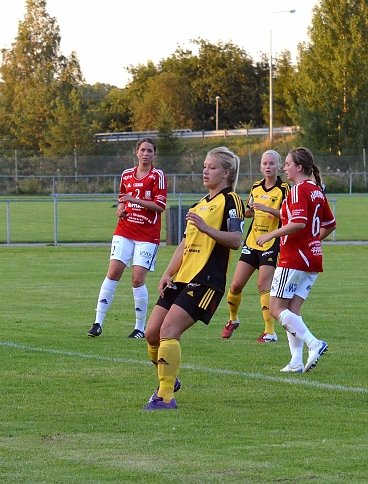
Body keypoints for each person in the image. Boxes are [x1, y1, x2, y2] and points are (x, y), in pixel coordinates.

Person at [143, 147, 245, 410]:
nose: (205, 170)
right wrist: (168, 273)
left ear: (226, 173)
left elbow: (236, 240)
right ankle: (169, 377)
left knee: (169, 331)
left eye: (211, 167)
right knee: (151, 333)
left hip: (207, 280)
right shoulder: (199, 204)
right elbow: (184, 245)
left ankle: (165, 396)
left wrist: (207, 228)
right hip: (183, 278)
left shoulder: (231, 200)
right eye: (204, 166)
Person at [255, 147, 336, 374]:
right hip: (312, 258)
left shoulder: (299, 190)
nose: (284, 168)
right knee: (292, 311)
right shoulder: (316, 190)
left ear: (299, 167)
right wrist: (312, 241)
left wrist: (271, 234)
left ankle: (314, 343)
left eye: (288, 164)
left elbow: (299, 223)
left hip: (294, 258)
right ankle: (296, 362)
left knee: (275, 308)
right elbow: (330, 224)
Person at [88, 138, 166, 339]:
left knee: (137, 279)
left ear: (154, 154)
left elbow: (160, 206)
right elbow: (122, 200)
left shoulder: (158, 176)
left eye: (150, 150)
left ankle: (140, 328)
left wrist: (134, 200)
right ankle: (97, 323)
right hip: (125, 230)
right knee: (113, 272)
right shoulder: (126, 175)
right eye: (142, 150)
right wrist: (121, 210)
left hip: (147, 235)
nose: (146, 154)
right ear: (137, 152)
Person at [222, 150, 288, 342]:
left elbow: (290, 216)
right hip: (252, 242)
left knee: (263, 285)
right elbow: (250, 212)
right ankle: (233, 319)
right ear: (260, 166)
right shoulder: (256, 187)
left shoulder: (284, 189)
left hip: (271, 243)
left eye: (272, 164)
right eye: (264, 163)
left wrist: (268, 209)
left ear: (278, 165)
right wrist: (247, 210)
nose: (268, 167)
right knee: (235, 285)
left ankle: (270, 332)